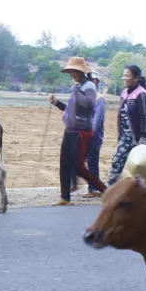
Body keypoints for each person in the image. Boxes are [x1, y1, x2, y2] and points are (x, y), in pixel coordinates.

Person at [49, 56, 107, 205]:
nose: (71, 74)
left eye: (73, 71)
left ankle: (105, 191)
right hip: (70, 130)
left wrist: (77, 91)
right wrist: (56, 103)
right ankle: (65, 197)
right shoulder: (78, 87)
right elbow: (70, 109)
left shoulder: (89, 87)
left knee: (79, 168)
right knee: (64, 163)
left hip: (81, 132)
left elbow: (88, 105)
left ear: (80, 72)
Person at [108, 64, 146, 186]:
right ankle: (111, 191)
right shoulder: (124, 93)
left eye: (127, 75)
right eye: (123, 75)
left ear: (136, 78)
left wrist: (144, 138)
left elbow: (145, 117)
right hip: (125, 137)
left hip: (139, 138)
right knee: (117, 162)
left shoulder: (141, 94)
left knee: (142, 166)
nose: (124, 78)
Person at [84, 71, 106, 198]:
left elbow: (97, 120)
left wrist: (89, 134)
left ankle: (94, 189)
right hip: (85, 134)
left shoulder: (99, 98)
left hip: (93, 136)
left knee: (92, 162)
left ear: (96, 82)